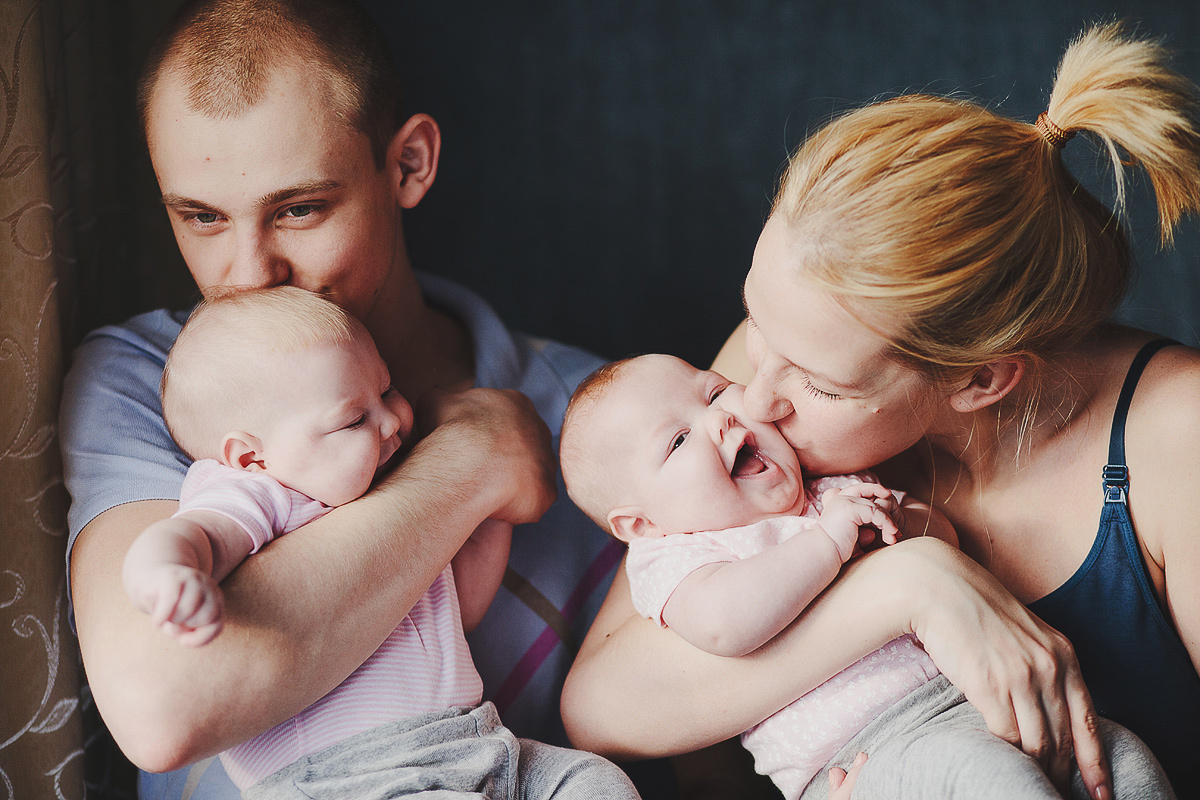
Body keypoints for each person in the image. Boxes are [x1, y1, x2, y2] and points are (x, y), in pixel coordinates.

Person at [561, 22, 1200, 800]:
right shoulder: (765, 373)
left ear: (980, 380)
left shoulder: (1178, 437)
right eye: (754, 326)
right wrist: (911, 584)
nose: (752, 400)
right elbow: (602, 703)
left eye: (822, 387)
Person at [59, 1, 639, 797]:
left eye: (298, 209)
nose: (248, 272)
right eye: (201, 217)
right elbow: (164, 708)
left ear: (408, 165)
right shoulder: (145, 381)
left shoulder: (605, 410)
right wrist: (469, 462)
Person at [558, 353, 1172, 800]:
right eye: (677, 441)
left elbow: (946, 541)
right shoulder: (679, 556)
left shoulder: (827, 489)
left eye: (715, 392)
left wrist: (904, 518)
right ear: (638, 524)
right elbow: (726, 625)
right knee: (991, 782)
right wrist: (829, 544)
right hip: (867, 753)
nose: (721, 419)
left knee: (1126, 759)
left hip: (975, 700)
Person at [118, 286, 638, 798]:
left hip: (473, 743)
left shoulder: (388, 494)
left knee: (593, 781)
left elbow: (462, 610)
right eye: (353, 419)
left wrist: (488, 512)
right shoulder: (261, 495)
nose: (391, 420)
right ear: (252, 456)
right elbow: (194, 535)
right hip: (349, 779)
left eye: (386, 390)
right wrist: (169, 574)